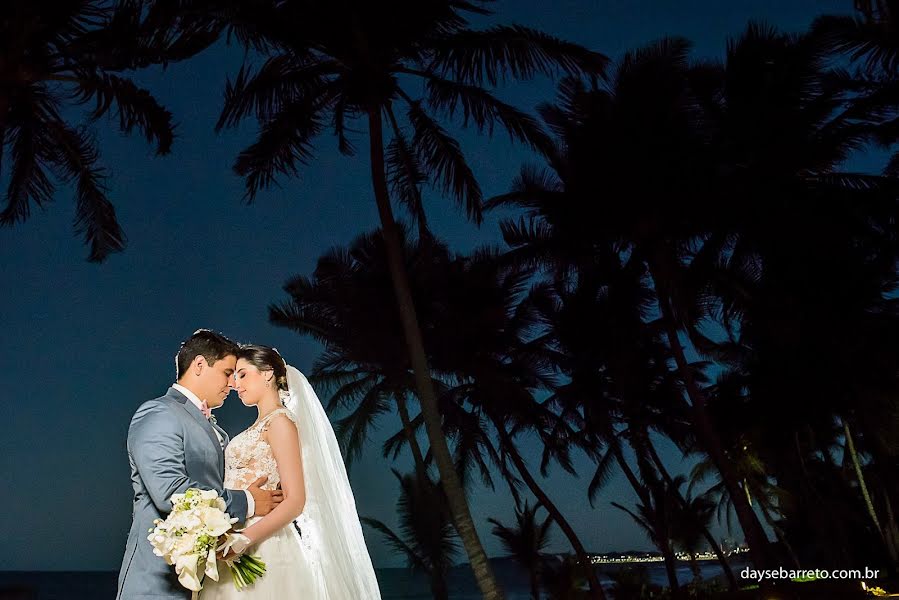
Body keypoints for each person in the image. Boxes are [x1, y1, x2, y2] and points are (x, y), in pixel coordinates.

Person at [199, 344, 382, 599]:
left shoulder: (280, 423)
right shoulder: (259, 425)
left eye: (242, 374)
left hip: (264, 543)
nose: (234, 384)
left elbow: (295, 501)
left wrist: (244, 539)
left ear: (266, 373)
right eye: (232, 377)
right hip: (233, 534)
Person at [117, 330, 284, 600]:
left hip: (209, 581)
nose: (232, 384)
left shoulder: (215, 430)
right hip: (158, 583)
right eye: (227, 372)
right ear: (198, 365)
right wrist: (249, 502)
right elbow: (171, 492)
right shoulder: (159, 413)